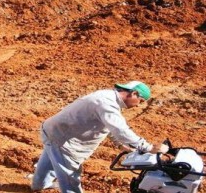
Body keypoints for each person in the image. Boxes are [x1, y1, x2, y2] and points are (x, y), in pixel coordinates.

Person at [31, 81, 169, 193]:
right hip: (63, 139)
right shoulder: (107, 103)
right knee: (70, 175)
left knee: (50, 159)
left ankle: (39, 185)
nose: (139, 105)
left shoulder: (107, 97)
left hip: (53, 131)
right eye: (140, 101)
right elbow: (119, 129)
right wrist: (148, 147)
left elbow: (105, 123)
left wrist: (118, 143)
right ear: (134, 93)